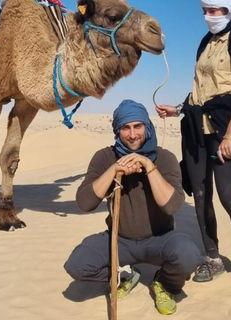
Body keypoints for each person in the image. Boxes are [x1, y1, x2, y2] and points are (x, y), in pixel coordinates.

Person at [155, 0, 231, 307]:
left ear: (230, 10)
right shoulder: (206, 43)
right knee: (202, 196)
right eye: (206, 10)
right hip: (196, 130)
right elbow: (200, 89)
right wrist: (177, 109)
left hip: (224, 129)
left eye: (216, 10)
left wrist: (230, 135)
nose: (209, 16)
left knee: (230, 198)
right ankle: (213, 258)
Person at [64, 99, 204, 315]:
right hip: (119, 240)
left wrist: (149, 166)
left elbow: (172, 206)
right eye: (125, 128)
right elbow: (85, 203)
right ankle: (126, 275)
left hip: (160, 238)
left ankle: (165, 283)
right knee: (77, 265)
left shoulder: (165, 158)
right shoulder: (105, 157)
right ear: (117, 130)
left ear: (147, 127)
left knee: (189, 257)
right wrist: (113, 170)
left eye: (138, 126)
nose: (132, 134)